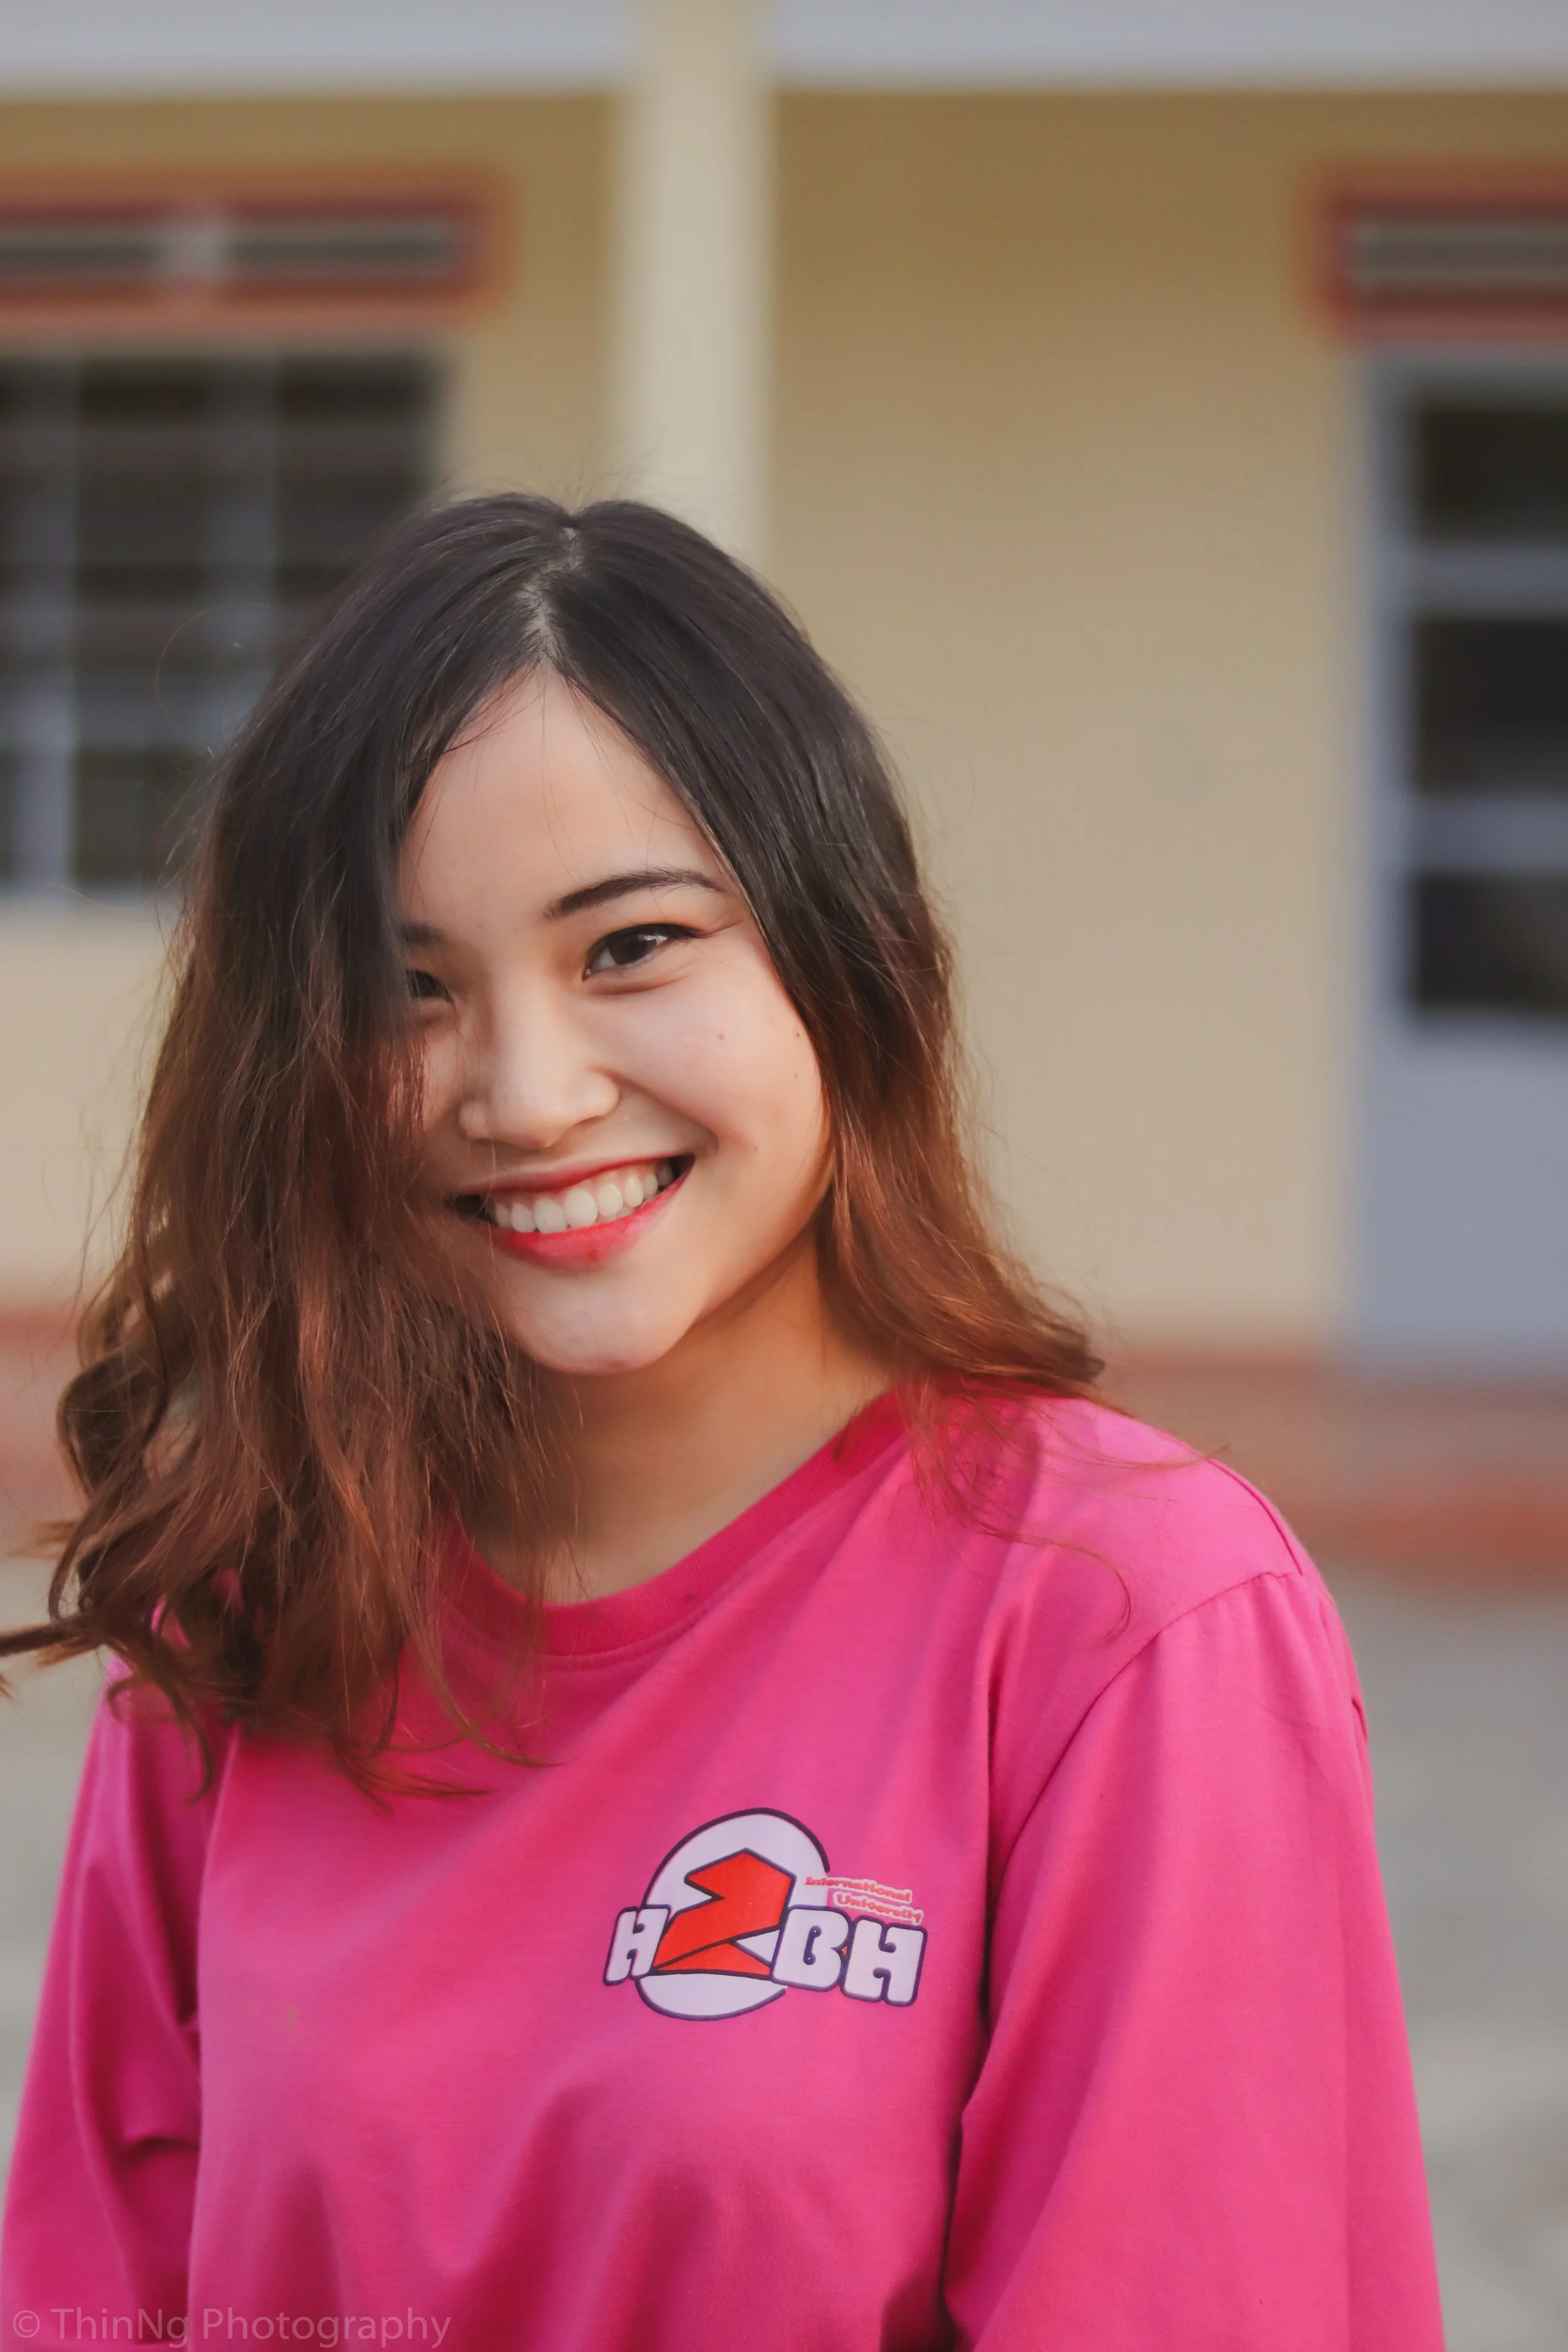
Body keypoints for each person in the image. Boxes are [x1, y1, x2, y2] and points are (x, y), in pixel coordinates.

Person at [1, 496, 1441, 2351]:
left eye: (631, 947)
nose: (525, 1092)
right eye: (404, 987)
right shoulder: (247, 1598)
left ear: (846, 955)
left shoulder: (1124, 1621)